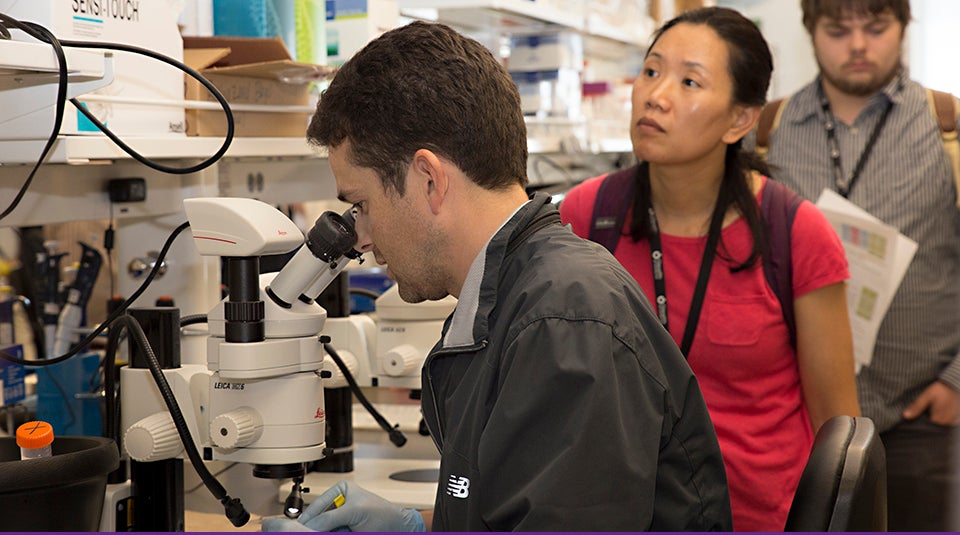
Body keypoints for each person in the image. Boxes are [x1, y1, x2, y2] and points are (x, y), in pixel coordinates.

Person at [262, 20, 732, 532]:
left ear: (429, 179)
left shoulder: (563, 323)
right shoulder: (516, 295)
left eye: (363, 205)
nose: (363, 238)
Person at [559, 7, 861, 531]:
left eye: (689, 81)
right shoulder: (587, 217)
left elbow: (842, 436)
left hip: (761, 519)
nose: (656, 94)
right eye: (651, 71)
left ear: (740, 119)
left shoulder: (795, 233)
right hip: (621, 514)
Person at [754, 0, 960, 530]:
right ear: (812, 33)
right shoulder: (765, 132)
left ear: (903, 28)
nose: (859, 45)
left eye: (876, 27)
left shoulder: (949, 128)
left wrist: (957, 382)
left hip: (922, 416)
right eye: (838, 30)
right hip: (798, 416)